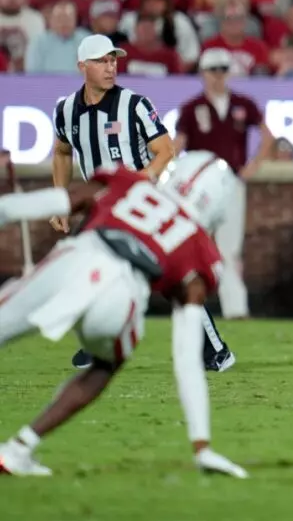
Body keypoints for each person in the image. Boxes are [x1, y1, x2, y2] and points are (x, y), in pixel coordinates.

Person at [0, 152, 246, 478]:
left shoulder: (129, 182)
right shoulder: (202, 252)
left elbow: (40, 203)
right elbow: (187, 359)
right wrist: (201, 445)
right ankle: (18, 449)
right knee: (105, 366)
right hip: (120, 298)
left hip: (76, 260)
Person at [51, 34, 234, 371]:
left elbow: (165, 151)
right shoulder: (65, 110)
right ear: (82, 66)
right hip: (103, 207)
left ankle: (216, 351)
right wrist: (61, 199)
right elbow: (62, 151)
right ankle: (97, 346)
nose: (110, 67)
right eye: (102, 61)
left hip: (140, 203)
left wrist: (139, 185)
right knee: (92, 272)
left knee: (173, 275)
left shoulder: (134, 104)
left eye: (113, 60)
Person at [174, 48, 275, 320]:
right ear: (203, 73)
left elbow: (268, 137)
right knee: (194, 244)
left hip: (230, 181)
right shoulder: (191, 108)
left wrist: (254, 165)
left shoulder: (243, 103)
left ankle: (235, 308)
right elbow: (178, 145)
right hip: (202, 187)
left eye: (222, 70)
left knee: (230, 248)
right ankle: (190, 303)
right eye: (212, 70)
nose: (218, 76)